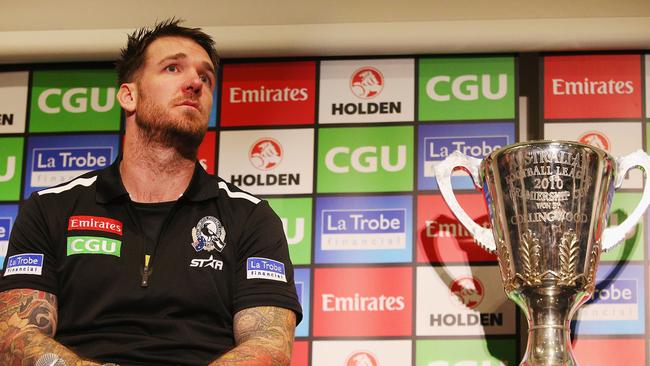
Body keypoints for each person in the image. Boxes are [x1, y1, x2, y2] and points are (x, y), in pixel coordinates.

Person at [0, 19, 302, 366]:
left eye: (205, 77)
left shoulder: (250, 216)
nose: (194, 83)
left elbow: (269, 344)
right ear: (129, 95)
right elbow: (16, 337)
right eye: (173, 68)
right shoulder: (51, 209)